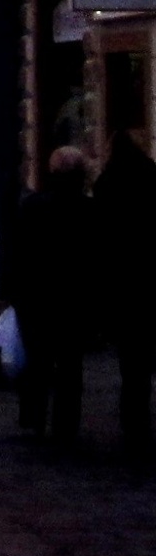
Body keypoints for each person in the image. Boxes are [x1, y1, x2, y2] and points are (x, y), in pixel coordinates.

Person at [11, 145, 96, 445]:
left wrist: (16, 292)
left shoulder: (33, 206)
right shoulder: (88, 210)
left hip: (36, 297)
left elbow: (18, 252)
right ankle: (65, 423)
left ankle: (34, 417)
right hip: (73, 298)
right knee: (71, 365)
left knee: (38, 359)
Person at [94, 129, 156, 455]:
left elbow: (101, 238)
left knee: (129, 357)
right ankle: (139, 416)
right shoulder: (151, 177)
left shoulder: (106, 183)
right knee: (143, 356)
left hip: (119, 283)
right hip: (147, 280)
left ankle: (132, 418)